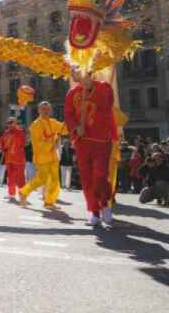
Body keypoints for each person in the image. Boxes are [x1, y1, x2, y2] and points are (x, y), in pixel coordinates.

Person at [64, 68, 118, 226]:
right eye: (73, 72)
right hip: (82, 141)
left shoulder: (104, 87)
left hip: (102, 140)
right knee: (86, 178)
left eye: (78, 71)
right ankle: (94, 211)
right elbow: (68, 115)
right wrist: (75, 127)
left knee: (100, 175)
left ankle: (105, 205)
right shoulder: (71, 94)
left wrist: (89, 88)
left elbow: (107, 103)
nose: (75, 74)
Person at [19, 102, 68, 208]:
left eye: (47, 109)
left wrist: (70, 119)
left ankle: (49, 202)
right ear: (39, 110)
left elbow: (64, 129)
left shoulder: (53, 122)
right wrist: (52, 144)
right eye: (43, 109)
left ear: (50, 110)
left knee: (55, 180)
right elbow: (38, 143)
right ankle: (23, 192)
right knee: (42, 179)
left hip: (53, 156)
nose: (46, 111)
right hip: (41, 157)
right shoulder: (35, 125)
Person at [0, 117, 26, 200]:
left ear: (15, 123)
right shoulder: (5, 133)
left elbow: (22, 143)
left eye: (12, 122)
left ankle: (22, 194)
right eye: (9, 122)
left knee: (20, 177)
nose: (10, 124)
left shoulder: (20, 132)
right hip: (9, 158)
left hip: (18, 158)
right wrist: (4, 150)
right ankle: (11, 194)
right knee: (10, 177)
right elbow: (2, 145)